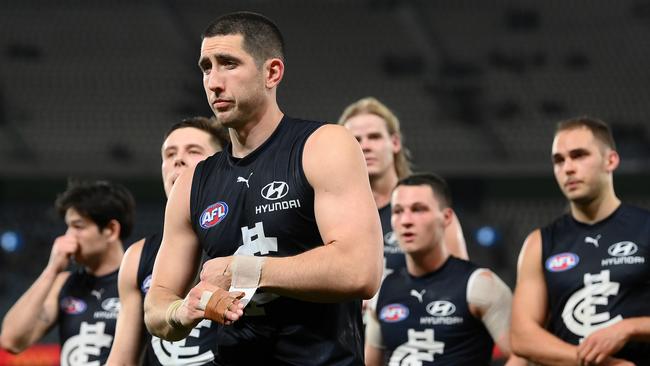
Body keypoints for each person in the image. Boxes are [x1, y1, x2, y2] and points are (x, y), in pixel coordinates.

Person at [143, 11, 383, 365]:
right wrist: (184, 309)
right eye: (206, 67)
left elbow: (360, 270)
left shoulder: (323, 145)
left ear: (272, 72)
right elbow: (157, 306)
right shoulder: (193, 182)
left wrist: (245, 270)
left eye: (228, 63)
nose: (213, 82)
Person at [511, 116, 650, 365]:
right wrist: (598, 362)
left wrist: (629, 328)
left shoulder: (646, 228)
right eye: (558, 160)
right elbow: (522, 337)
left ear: (611, 160)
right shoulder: (540, 243)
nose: (568, 168)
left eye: (579, 155)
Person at [106, 117, 228, 365]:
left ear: (223, 165)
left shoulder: (248, 235)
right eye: (169, 153)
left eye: (193, 151)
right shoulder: (138, 255)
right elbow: (121, 360)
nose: (178, 159)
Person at [365, 173, 520, 365]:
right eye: (397, 211)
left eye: (418, 209)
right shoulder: (384, 290)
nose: (406, 220)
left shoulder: (480, 284)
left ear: (446, 217)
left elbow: (522, 354)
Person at [0, 180, 135, 366]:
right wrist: (51, 270)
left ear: (111, 230)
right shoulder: (64, 284)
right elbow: (11, 340)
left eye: (78, 226)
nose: (68, 236)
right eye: (68, 227)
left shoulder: (140, 281)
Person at [338, 97, 468, 279]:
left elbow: (460, 286)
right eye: (356, 140)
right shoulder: (331, 211)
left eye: (374, 137)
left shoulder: (429, 207)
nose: (365, 146)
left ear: (395, 142)